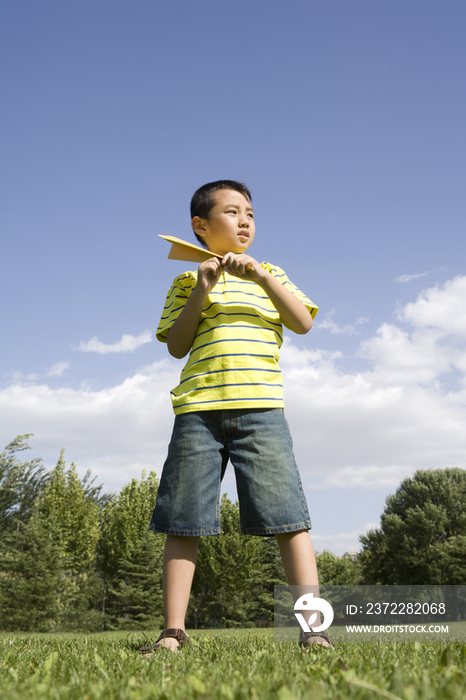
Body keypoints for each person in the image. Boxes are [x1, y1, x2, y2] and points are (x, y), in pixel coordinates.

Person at [139, 180, 329, 654]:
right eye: (232, 212)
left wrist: (263, 278)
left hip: (262, 411)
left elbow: (303, 322)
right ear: (200, 226)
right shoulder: (186, 280)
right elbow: (177, 345)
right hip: (198, 412)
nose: (245, 221)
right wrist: (203, 288)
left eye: (250, 213)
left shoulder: (272, 272)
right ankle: (173, 632)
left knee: (289, 518)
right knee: (184, 520)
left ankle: (313, 630)